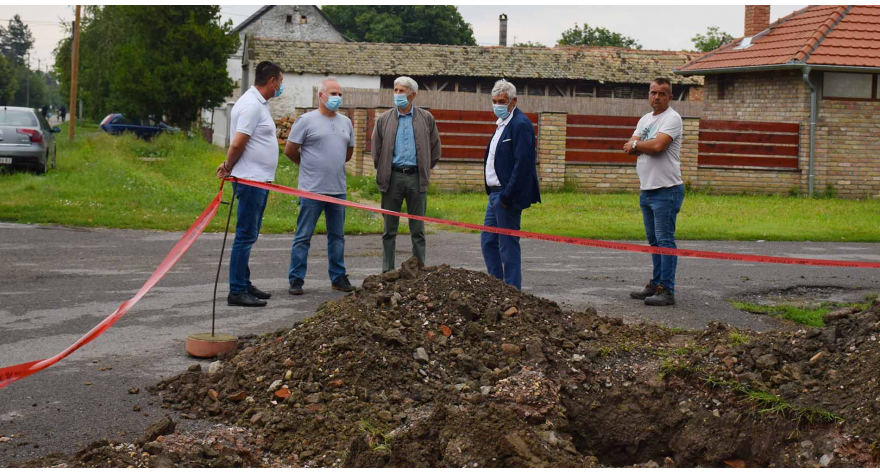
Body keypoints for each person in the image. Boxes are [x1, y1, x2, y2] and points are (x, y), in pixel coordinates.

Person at [215, 61, 284, 307]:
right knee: (245, 236)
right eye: (281, 81)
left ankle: (244, 283)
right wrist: (229, 166)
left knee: (250, 235)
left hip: (259, 180)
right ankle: (236, 290)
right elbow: (237, 143)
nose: (281, 86)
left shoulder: (258, 103)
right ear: (272, 81)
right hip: (250, 180)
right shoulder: (252, 105)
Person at [284, 77, 356, 295]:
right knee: (304, 236)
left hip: (337, 189)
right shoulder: (306, 121)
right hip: (311, 190)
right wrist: (308, 167)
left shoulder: (346, 122)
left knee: (337, 237)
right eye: (333, 93)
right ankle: (296, 279)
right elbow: (290, 150)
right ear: (321, 95)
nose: (337, 98)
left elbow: (348, 152)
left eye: (339, 94)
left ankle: (338, 277)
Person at [624, 77, 685, 306]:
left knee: (665, 241)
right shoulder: (646, 119)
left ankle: (666, 290)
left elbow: (658, 147)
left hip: (666, 191)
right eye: (652, 93)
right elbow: (628, 147)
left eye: (661, 93)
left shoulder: (673, 118)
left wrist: (638, 145)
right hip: (647, 190)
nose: (656, 97)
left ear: (670, 97)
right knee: (654, 241)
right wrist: (637, 145)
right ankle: (656, 283)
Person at [371, 76, 441, 273]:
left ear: (413, 95)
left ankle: (417, 270)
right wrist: (385, 169)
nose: (397, 94)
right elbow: (376, 150)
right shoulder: (384, 119)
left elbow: (435, 149)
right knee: (389, 230)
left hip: (416, 178)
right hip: (392, 178)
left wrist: (424, 168)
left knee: (417, 229)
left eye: (402, 91)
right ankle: (387, 271)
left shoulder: (426, 118)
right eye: (395, 90)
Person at [480, 79, 541, 291]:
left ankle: (512, 290)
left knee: (508, 246)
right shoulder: (501, 125)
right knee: (488, 242)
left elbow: (523, 164)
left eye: (502, 101)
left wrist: (508, 195)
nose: (497, 105)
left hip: (506, 197)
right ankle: (496, 286)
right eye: (494, 101)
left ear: (513, 101)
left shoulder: (520, 124)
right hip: (494, 195)